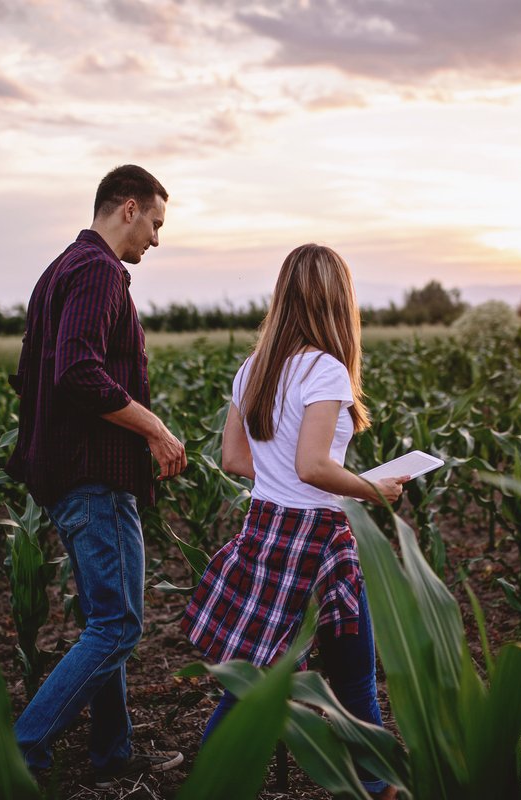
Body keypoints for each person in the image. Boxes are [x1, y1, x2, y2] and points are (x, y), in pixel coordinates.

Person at [180, 243, 406, 800]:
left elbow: (235, 459)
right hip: (317, 540)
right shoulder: (325, 369)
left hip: (266, 531)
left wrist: (282, 469)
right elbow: (313, 466)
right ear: (336, 301)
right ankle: (375, 785)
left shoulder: (253, 368)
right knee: (352, 683)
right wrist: (373, 489)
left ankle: (374, 786)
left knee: (251, 686)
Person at [5, 164, 187, 787]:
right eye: (156, 224)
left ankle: (112, 753)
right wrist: (154, 428)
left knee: (104, 621)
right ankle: (20, 751)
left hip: (66, 475)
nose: (156, 241)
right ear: (128, 208)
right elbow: (77, 373)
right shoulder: (100, 271)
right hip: (94, 477)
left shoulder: (59, 269)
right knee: (118, 624)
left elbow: (45, 373)